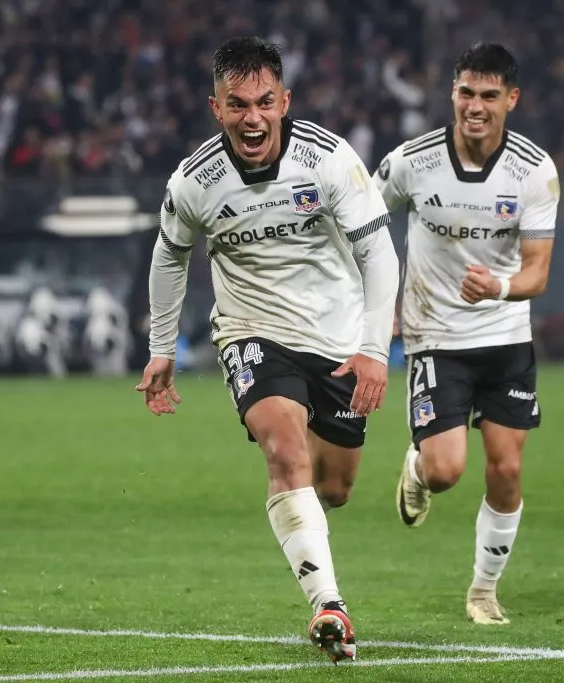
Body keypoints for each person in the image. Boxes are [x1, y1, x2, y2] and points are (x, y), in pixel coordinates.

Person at [136, 36, 398, 663]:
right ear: (215, 108)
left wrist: (374, 350)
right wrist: (162, 344)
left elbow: (378, 253)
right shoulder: (196, 181)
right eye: (236, 105)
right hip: (250, 331)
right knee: (283, 450)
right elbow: (169, 254)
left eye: (262, 102)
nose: (251, 118)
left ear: (284, 101)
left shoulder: (330, 160)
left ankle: (302, 484)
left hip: (336, 337)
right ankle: (329, 607)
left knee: (333, 488)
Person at [373, 42, 559, 626]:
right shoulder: (412, 161)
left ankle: (483, 590)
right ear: (452, 93)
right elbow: (363, 220)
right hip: (435, 336)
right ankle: (418, 466)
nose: (474, 107)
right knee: (447, 470)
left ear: (512, 99)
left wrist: (499, 290)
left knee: (506, 469)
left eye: (488, 95)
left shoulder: (534, 170)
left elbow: (537, 273)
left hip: (504, 335)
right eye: (465, 93)